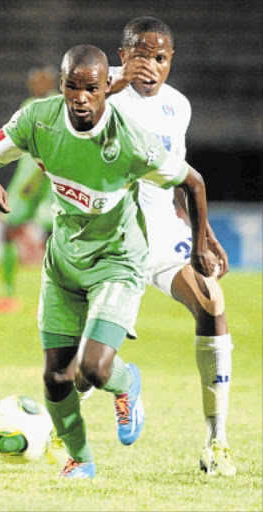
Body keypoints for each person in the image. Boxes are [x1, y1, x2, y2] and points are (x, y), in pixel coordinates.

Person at [0, 44, 218, 478]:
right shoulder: (36, 119)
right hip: (63, 261)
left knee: (93, 368)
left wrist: (200, 242)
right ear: (61, 85)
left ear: (107, 90)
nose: (80, 97)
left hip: (118, 259)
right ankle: (81, 461)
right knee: (57, 377)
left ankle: (126, 380)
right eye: (72, 87)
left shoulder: (131, 139)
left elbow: (193, 181)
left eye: (91, 89)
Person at [102, 16, 235, 476]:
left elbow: (177, 174)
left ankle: (216, 442)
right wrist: (110, 86)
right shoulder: (97, 97)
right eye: (141, 54)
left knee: (211, 300)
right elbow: (62, 121)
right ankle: (121, 385)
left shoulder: (178, 106)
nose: (151, 65)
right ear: (123, 56)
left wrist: (205, 233)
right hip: (109, 237)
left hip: (160, 231)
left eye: (160, 57)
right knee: (83, 368)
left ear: (170, 61)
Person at [0, 66, 57, 315]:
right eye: (32, 80)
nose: (34, 84)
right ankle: (8, 295)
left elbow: (52, 150)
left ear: (51, 82)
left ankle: (54, 299)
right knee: (8, 231)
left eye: (39, 80)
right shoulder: (29, 104)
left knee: (52, 240)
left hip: (49, 184)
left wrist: (36, 178)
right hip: (25, 181)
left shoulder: (59, 108)